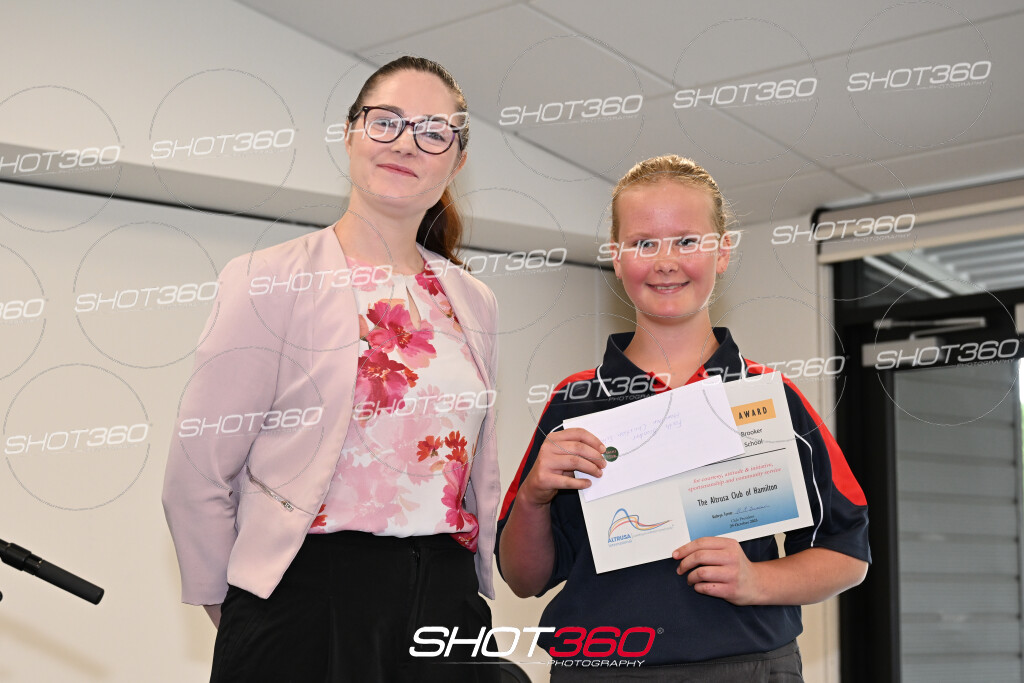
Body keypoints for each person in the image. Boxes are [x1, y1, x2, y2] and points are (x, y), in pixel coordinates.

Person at [163, 56, 500, 682]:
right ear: (350, 134)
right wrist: (244, 614)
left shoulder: (473, 300)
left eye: (433, 132)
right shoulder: (268, 278)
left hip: (446, 599)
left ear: (456, 162)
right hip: (306, 595)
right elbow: (198, 472)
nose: (406, 142)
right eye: (386, 121)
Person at [496, 154, 870, 681]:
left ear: (722, 252)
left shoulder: (770, 397)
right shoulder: (574, 402)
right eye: (644, 243)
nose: (666, 261)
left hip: (746, 668)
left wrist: (756, 581)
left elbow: (848, 555)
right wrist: (533, 496)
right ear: (616, 258)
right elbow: (523, 580)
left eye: (687, 241)